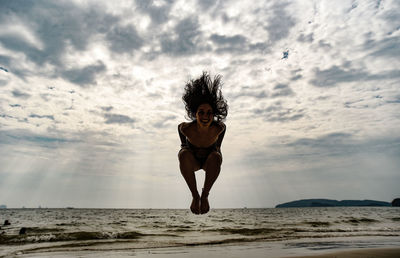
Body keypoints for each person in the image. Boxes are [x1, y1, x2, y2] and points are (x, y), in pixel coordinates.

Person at [178, 72, 228, 215]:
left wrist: (218, 147)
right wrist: (183, 145)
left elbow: (224, 129)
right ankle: (195, 196)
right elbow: (179, 128)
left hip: (209, 161)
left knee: (216, 157)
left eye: (209, 113)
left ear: (214, 115)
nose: (205, 116)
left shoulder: (218, 128)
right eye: (201, 112)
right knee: (183, 154)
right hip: (192, 159)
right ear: (195, 114)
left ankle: (204, 196)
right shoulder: (187, 128)